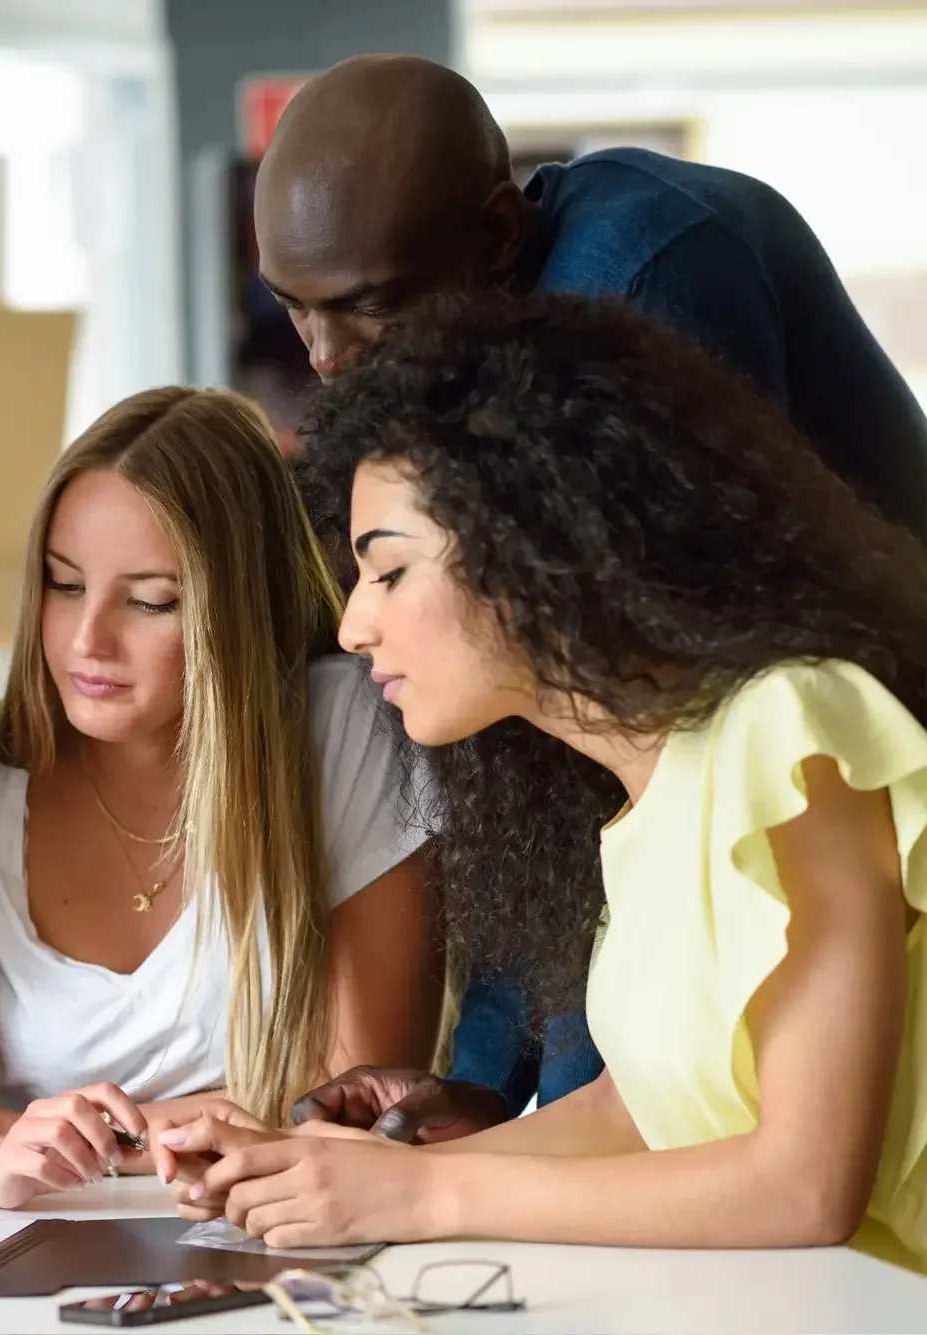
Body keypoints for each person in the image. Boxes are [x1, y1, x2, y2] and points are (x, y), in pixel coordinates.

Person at [157, 293, 927, 1271]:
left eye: (386, 573)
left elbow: (804, 1184)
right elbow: (643, 1113)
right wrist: (321, 1166)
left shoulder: (789, 733)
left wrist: (422, 1189)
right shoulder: (637, 796)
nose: (351, 628)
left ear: (533, 548)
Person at [252, 52, 927, 1137]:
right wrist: (483, 1085)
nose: (328, 359)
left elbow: (611, 757)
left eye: (368, 306)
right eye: (293, 311)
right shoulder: (477, 355)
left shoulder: (644, 281)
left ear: (498, 238)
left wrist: (534, 1122)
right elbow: (530, 765)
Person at [0, 387, 440, 1209]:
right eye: (64, 585)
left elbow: (354, 1108)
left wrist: (5, 1127)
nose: (87, 640)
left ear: (236, 609)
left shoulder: (343, 727)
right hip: (38, 1253)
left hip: (280, 1236)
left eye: (150, 601)